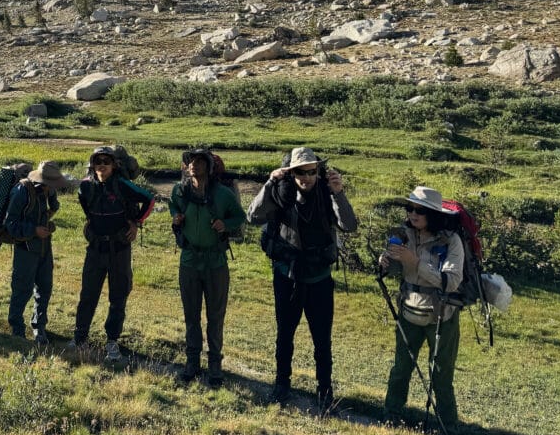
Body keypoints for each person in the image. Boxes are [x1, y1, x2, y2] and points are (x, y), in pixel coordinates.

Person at [246, 147, 357, 415]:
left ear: (318, 171)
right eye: (300, 172)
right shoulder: (280, 193)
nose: (306, 177)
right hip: (287, 276)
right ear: (291, 172)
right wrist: (270, 182)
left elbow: (349, 225)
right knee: (285, 334)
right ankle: (281, 384)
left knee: (322, 339)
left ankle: (325, 391)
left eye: (311, 171)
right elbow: (252, 216)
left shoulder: (327, 193)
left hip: (319, 278)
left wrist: (339, 193)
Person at [381, 186, 464, 435]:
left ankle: (449, 431)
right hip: (408, 312)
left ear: (433, 213)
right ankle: (390, 418)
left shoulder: (451, 241)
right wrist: (386, 262)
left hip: (442, 317)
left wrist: (415, 262)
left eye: (419, 210)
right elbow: (398, 272)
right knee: (400, 370)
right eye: (409, 208)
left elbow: (451, 281)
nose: (412, 214)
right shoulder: (403, 234)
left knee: (440, 377)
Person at [68, 145, 155, 360]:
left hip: (119, 249)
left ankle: (112, 341)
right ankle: (79, 337)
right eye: (98, 162)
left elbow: (150, 199)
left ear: (114, 165)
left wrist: (136, 222)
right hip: (96, 248)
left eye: (106, 162)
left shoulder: (122, 184)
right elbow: (84, 205)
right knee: (88, 294)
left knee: (118, 296)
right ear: (93, 165)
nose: (102, 166)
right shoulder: (86, 187)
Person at [170, 148, 246, 387]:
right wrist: (176, 218)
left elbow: (240, 217)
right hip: (189, 260)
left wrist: (225, 224)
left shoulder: (223, 194)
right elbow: (174, 207)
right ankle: (192, 362)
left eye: (200, 162)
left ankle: (215, 364)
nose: (194, 165)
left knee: (215, 315)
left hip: (216, 262)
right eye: (191, 162)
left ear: (209, 167)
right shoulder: (179, 191)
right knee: (191, 315)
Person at [4, 160, 63, 345]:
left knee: (45, 287)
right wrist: (34, 230)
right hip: (25, 248)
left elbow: (52, 209)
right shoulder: (22, 191)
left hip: (45, 247)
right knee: (22, 289)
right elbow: (10, 223)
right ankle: (17, 328)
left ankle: (39, 327)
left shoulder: (49, 189)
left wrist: (46, 225)